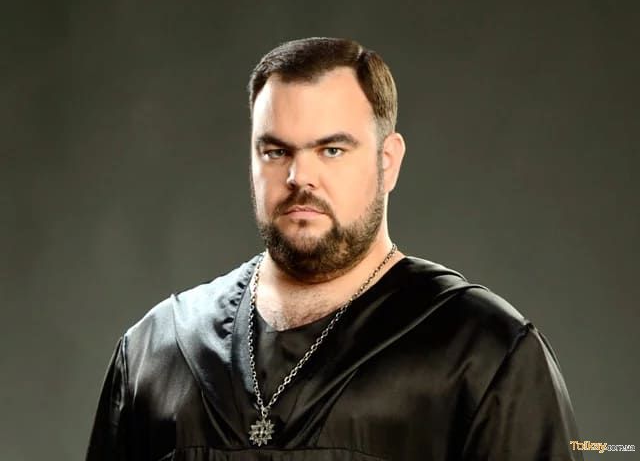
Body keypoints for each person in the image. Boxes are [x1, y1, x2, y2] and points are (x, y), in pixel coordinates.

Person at [86, 37, 583, 460]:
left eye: (332, 150)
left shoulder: (481, 353)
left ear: (388, 161)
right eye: (275, 151)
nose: (300, 177)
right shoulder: (159, 351)